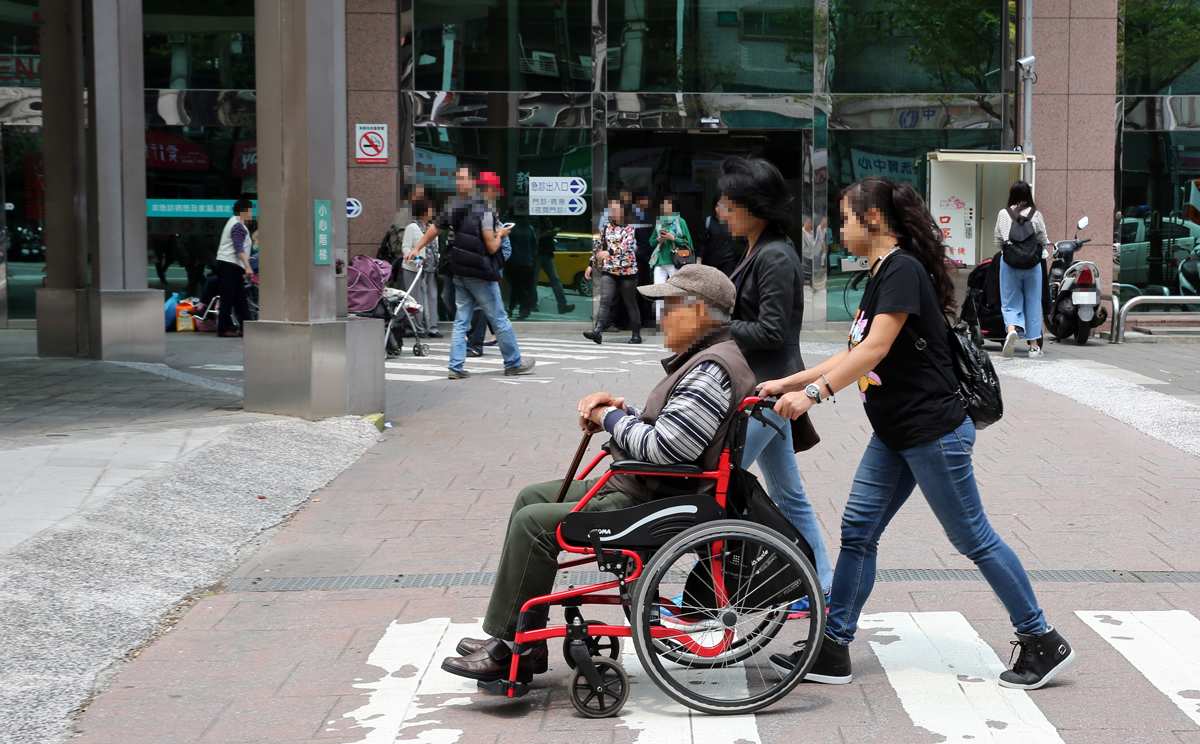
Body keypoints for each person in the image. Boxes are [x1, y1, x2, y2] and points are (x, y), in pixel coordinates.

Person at [762, 175, 1075, 691]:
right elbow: (853, 351)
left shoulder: (901, 269)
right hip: (896, 431)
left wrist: (813, 397)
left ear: (873, 219)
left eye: (845, 217)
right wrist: (789, 381)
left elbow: (874, 349)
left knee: (972, 537)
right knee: (858, 531)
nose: (839, 227)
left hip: (931, 431)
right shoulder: (883, 273)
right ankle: (833, 647)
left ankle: (1041, 639)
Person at [440, 265, 757, 683]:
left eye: (667, 308)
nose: (659, 318)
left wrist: (609, 417)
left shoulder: (712, 369)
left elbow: (666, 448)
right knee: (531, 498)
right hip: (648, 484)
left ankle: (509, 645)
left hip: (650, 495)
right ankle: (527, 639)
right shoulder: (706, 360)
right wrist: (622, 415)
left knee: (534, 524)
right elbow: (669, 434)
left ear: (698, 313)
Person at [717, 156, 833, 614]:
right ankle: (822, 586)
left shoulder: (776, 255)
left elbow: (771, 330)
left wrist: (716, 326)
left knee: (716, 487)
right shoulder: (759, 249)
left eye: (730, 203)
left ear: (754, 206)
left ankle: (700, 598)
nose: (722, 210)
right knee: (788, 494)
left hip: (767, 391)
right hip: (767, 392)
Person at [411, 169, 535, 379]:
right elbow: (492, 246)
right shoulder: (485, 212)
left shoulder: (454, 207)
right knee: (499, 318)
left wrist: (417, 248)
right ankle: (513, 363)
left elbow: (434, 229)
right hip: (480, 274)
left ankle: (455, 367)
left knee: (461, 321)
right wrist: (502, 234)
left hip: (459, 272)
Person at [995, 180, 1049, 358]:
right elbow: (1043, 238)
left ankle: (1011, 329)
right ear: (1029, 195)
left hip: (1010, 263)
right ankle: (1034, 347)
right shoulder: (1036, 214)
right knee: (1033, 302)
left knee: (1010, 302)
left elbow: (997, 239)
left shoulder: (1004, 214)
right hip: (1033, 265)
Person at [583, 199, 642, 344]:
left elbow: (626, 246)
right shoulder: (606, 227)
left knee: (630, 303)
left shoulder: (630, 227)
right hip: (609, 269)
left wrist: (609, 251)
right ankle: (598, 331)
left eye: (616, 209)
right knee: (605, 301)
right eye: (611, 209)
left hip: (627, 271)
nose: (613, 212)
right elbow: (599, 246)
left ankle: (636, 334)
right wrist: (591, 264)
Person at [400, 199, 442, 337]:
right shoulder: (411, 228)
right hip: (414, 269)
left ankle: (432, 328)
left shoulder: (433, 227)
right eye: (430, 209)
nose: (433, 212)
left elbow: (436, 248)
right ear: (422, 211)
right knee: (415, 298)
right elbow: (406, 248)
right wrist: (415, 259)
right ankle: (418, 328)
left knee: (432, 297)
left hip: (431, 268)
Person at [650, 194, 694, 324]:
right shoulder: (659, 222)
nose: (665, 207)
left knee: (677, 291)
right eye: (663, 204)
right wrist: (659, 239)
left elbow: (688, 243)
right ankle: (660, 321)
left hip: (676, 261)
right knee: (658, 291)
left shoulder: (680, 221)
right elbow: (651, 242)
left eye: (668, 204)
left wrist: (672, 238)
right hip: (659, 261)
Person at [214, 198, 254, 338]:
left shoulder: (235, 222)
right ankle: (223, 329)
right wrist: (248, 266)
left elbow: (238, 248)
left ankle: (245, 326)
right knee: (228, 297)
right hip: (229, 266)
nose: (251, 215)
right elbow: (238, 247)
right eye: (250, 211)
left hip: (230, 265)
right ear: (244, 211)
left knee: (239, 298)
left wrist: (247, 259)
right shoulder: (238, 225)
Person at [532, 216, 575, 315]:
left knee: (555, 279)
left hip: (547, 253)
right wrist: (545, 234)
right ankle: (532, 304)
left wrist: (550, 234)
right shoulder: (537, 220)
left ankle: (562, 305)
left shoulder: (547, 221)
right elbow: (535, 237)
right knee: (535, 280)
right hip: (538, 253)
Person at [696, 194, 740, 277]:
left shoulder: (733, 221)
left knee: (728, 286)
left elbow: (745, 238)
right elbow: (702, 242)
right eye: (717, 206)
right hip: (710, 262)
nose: (720, 209)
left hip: (728, 261)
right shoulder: (708, 221)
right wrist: (699, 260)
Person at [505, 214, 538, 320]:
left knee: (516, 286)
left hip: (513, 262)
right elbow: (534, 246)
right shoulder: (530, 228)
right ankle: (511, 308)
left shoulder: (511, 229)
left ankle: (524, 306)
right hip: (527, 262)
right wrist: (531, 258)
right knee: (518, 286)